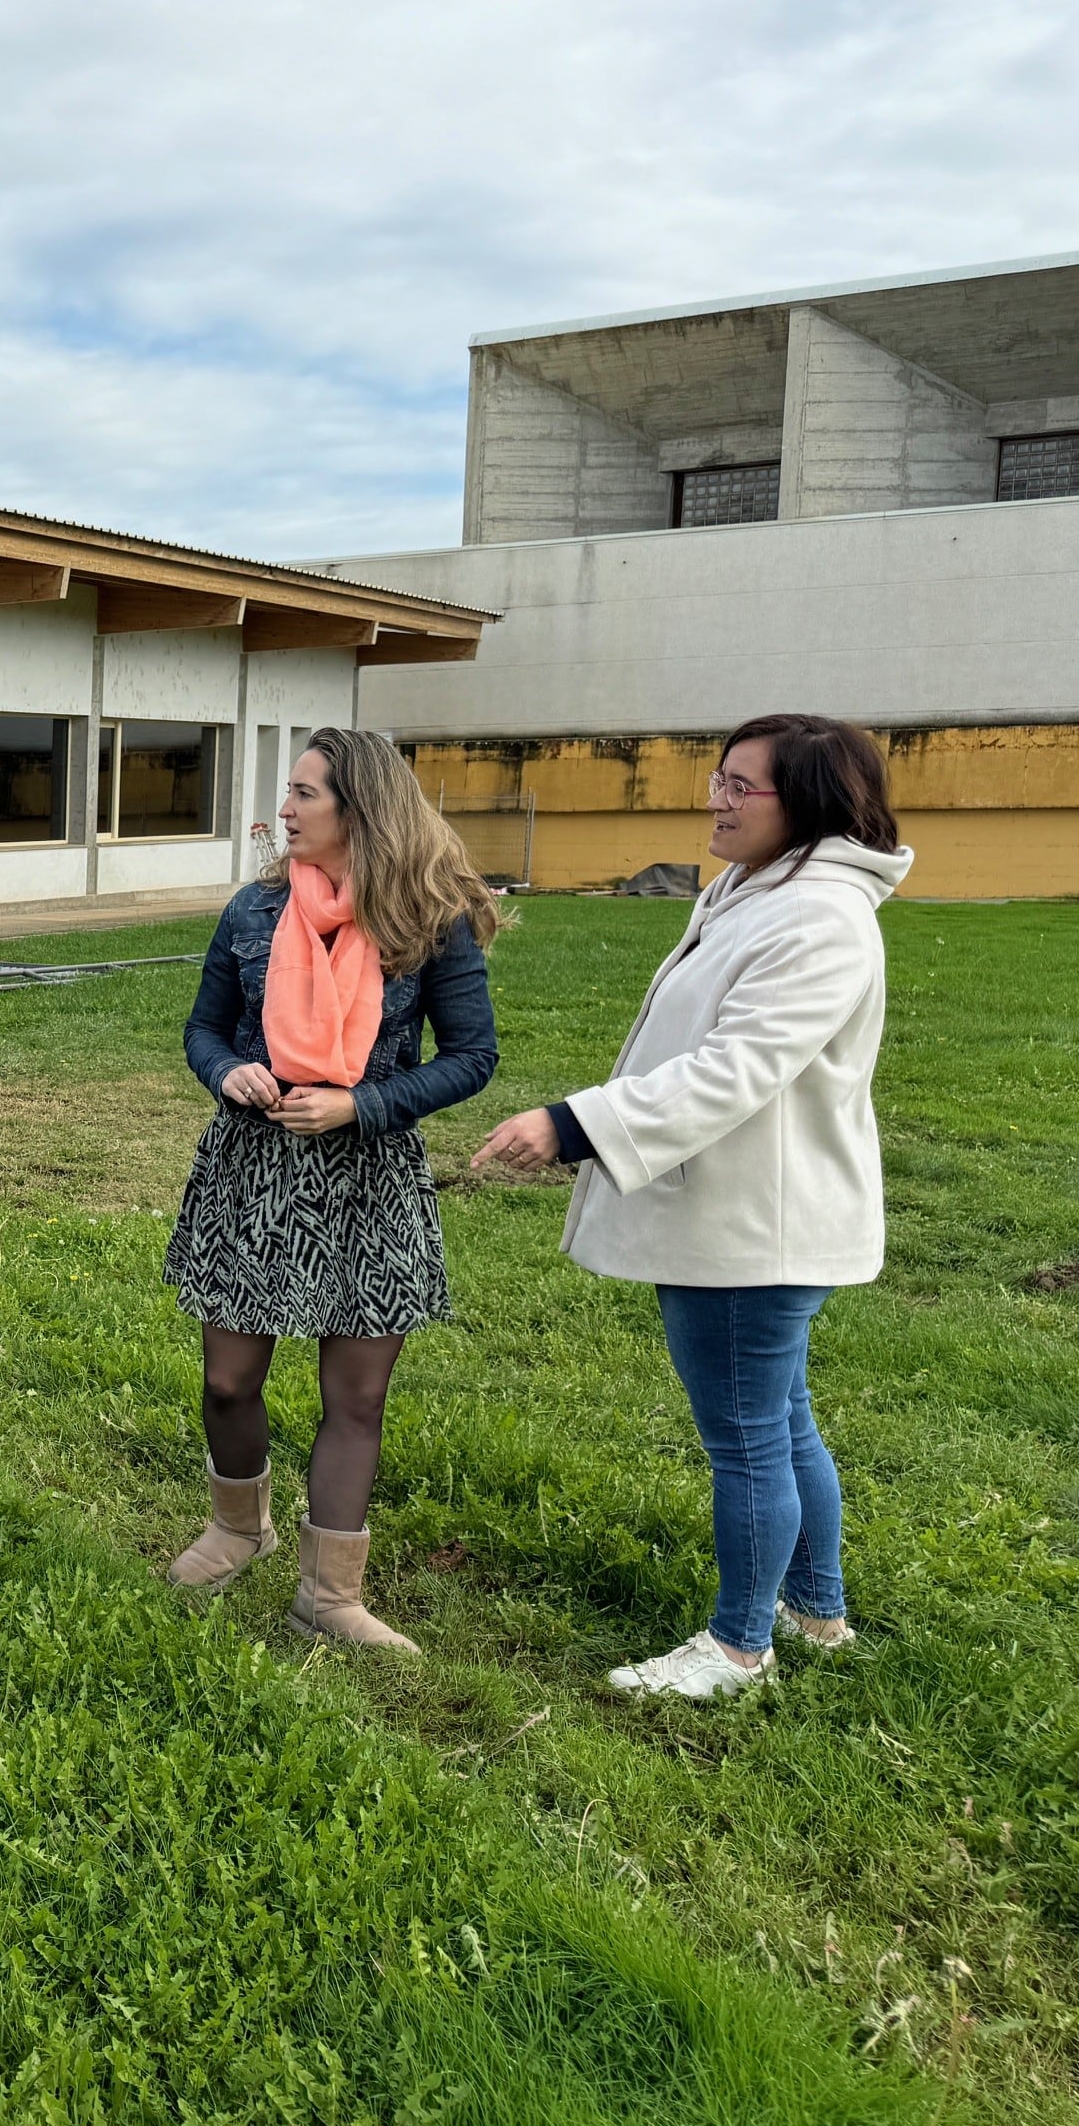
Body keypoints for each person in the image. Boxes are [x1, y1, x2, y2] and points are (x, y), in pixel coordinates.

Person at [472, 714, 910, 1701]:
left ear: (807, 804)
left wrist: (572, 1124)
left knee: (752, 1438)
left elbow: (735, 1070)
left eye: (741, 786)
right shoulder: (758, 889)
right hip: (748, 1217)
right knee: (783, 1422)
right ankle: (816, 1613)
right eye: (719, 779)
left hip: (755, 1230)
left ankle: (740, 1649)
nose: (718, 799)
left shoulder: (819, 917)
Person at [163, 728, 502, 1651]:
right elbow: (204, 1030)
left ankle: (330, 1592)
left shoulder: (429, 919)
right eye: (290, 791)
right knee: (230, 1381)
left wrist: (363, 1104)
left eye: (305, 794)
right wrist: (227, 1071)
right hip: (254, 1170)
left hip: (371, 1176)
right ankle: (239, 1527)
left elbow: (473, 1058)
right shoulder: (251, 911)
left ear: (359, 808)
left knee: (355, 1397)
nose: (286, 809)